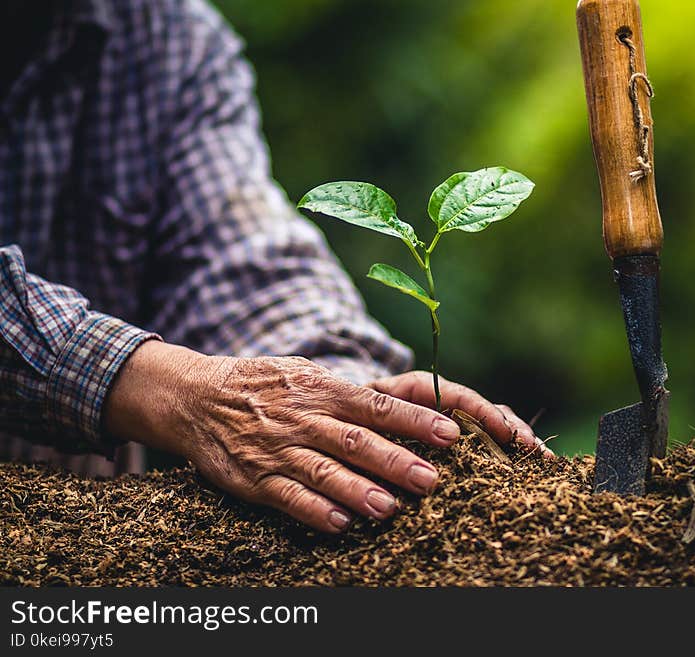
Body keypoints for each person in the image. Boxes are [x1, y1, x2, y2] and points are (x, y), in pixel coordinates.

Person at [0, 0, 544, 533]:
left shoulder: (165, 36)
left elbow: (239, 264)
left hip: (93, 548)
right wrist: (168, 386)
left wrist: (340, 394)